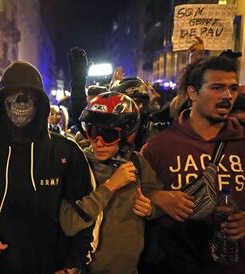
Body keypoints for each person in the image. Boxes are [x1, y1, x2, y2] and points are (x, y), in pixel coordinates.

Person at [0, 61, 95, 274]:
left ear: (40, 103)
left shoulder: (67, 152)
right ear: (1, 103)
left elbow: (86, 214)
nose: (20, 103)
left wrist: (73, 265)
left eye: (28, 96)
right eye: (12, 95)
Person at [141, 56, 245, 274]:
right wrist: (156, 196)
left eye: (232, 89)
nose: (227, 96)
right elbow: (131, 195)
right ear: (192, 93)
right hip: (173, 265)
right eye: (217, 88)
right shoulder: (158, 146)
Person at [59, 91, 162, 274]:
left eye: (107, 134)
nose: (98, 142)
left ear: (128, 135)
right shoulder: (79, 163)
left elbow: (158, 199)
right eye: (92, 131)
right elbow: (69, 223)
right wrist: (110, 185)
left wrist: (151, 209)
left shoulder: (137, 163)